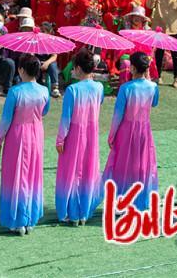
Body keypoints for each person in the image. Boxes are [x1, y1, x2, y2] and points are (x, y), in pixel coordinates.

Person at [0, 54, 50, 235]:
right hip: (36, 134)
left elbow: (6, 119)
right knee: (32, 174)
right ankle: (30, 219)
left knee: (16, 175)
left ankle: (17, 220)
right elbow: (45, 111)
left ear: (21, 70)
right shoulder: (44, 90)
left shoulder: (15, 92)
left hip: (17, 135)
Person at [101, 52, 159, 211]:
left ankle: (122, 203)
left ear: (132, 68)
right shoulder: (153, 87)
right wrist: (149, 80)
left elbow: (117, 115)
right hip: (144, 131)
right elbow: (154, 103)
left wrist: (112, 135)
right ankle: (140, 203)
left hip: (126, 131)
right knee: (142, 166)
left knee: (122, 167)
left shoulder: (126, 88)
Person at [55, 50, 104, 225]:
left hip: (75, 134)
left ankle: (72, 212)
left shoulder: (72, 90)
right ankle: (84, 211)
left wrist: (60, 139)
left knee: (72, 172)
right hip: (92, 133)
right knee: (88, 170)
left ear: (77, 68)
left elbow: (66, 118)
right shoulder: (99, 87)